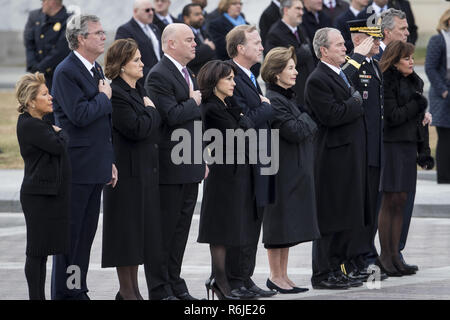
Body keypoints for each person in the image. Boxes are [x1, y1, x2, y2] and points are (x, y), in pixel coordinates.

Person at [50, 14, 117, 300]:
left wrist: (110, 160)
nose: (104, 37)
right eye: (98, 33)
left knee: (85, 238)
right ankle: (64, 293)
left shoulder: (95, 68)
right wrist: (104, 97)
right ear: (81, 38)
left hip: (96, 165)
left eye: (103, 32)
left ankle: (77, 289)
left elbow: (104, 126)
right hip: (77, 168)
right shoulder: (66, 71)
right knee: (70, 238)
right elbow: (79, 115)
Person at [144, 23, 206, 300]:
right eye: (189, 40)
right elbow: (171, 115)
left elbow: (194, 123)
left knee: (181, 231)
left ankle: (174, 281)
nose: (195, 44)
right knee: (165, 230)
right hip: (170, 165)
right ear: (171, 44)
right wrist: (193, 100)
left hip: (189, 162)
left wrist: (201, 156)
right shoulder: (159, 75)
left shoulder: (186, 72)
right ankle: (160, 287)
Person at [305, 27, 366, 290]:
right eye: (339, 45)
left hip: (348, 155)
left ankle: (339, 268)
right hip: (331, 158)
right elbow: (333, 114)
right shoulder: (317, 79)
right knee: (330, 217)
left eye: (344, 44)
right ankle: (322, 273)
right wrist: (354, 102)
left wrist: (352, 103)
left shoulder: (339, 74)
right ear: (323, 51)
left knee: (346, 214)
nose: (345, 48)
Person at [102, 39, 162, 300]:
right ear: (122, 65)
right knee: (125, 234)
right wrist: (151, 113)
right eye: (136, 60)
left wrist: (150, 115)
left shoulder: (137, 90)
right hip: (125, 175)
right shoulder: (117, 93)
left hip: (143, 171)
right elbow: (137, 129)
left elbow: (149, 126)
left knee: (138, 235)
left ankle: (133, 290)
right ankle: (127, 292)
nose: (142, 63)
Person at [261, 46, 320, 294]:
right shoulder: (275, 100)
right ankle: (275, 276)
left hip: (292, 171)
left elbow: (302, 126)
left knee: (287, 226)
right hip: (279, 173)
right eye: (291, 68)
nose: (296, 72)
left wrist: (305, 120)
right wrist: (307, 118)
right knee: (278, 225)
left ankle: (283, 274)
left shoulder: (287, 98)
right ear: (276, 74)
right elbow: (295, 130)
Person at [197, 60, 257, 300]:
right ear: (215, 82)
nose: (234, 83)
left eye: (233, 78)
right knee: (220, 229)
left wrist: (242, 124)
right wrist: (242, 125)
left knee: (231, 227)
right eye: (229, 79)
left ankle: (220, 279)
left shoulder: (228, 103)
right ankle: (219, 279)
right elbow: (237, 138)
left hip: (236, 172)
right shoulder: (210, 107)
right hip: (222, 174)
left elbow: (248, 129)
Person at [225, 25, 276, 298]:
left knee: (254, 219)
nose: (261, 47)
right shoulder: (228, 74)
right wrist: (265, 108)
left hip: (260, 158)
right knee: (242, 221)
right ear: (240, 48)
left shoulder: (251, 75)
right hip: (242, 160)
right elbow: (243, 119)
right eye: (256, 43)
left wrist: (261, 108)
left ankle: (245, 277)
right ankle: (234, 280)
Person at [377, 40, 434, 276]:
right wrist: (417, 105)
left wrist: (424, 147)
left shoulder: (415, 81)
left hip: (409, 146)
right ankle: (385, 256)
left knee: (401, 201)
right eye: (407, 58)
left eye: (412, 57)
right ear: (395, 60)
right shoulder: (387, 81)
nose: (412, 62)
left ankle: (395, 256)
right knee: (390, 200)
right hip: (392, 146)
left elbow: (415, 116)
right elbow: (392, 116)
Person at [16, 72, 71, 300]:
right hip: (37, 197)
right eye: (45, 94)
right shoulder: (30, 125)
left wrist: (56, 133)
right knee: (36, 251)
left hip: (47, 195)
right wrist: (61, 134)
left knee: (43, 252)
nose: (51, 98)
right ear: (31, 102)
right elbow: (58, 145)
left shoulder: (42, 123)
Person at [340, 19, 387, 278]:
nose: (379, 43)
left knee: (371, 206)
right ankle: (350, 259)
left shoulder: (374, 65)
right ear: (358, 39)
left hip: (374, 148)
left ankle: (363, 253)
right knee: (358, 207)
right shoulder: (352, 65)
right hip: (360, 148)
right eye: (374, 38)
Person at [264, 0, 316, 105]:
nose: (302, 12)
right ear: (286, 10)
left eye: (302, 9)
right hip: (293, 94)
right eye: (298, 8)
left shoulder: (300, 29)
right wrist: (303, 52)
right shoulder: (275, 34)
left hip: (307, 90)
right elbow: (276, 63)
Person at [425, 9, 450, 184]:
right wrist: (444, 91)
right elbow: (430, 68)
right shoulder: (438, 39)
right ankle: (444, 178)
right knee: (445, 137)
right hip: (443, 96)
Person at [23, 0, 71, 92]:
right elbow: (29, 42)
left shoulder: (68, 20)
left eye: (44, 1)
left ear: (51, 2)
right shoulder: (35, 16)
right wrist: (33, 67)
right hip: (36, 72)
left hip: (56, 73)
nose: (42, 3)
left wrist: (40, 68)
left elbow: (61, 50)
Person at [115, 0, 162, 87]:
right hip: (141, 81)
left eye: (152, 10)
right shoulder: (125, 30)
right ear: (135, 11)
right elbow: (124, 58)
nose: (151, 13)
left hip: (159, 79)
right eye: (147, 10)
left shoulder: (154, 28)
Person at [182, 3, 216, 75]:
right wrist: (207, 47)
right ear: (186, 19)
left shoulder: (203, 30)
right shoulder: (183, 35)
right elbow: (189, 57)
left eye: (201, 14)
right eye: (197, 14)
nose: (201, 17)